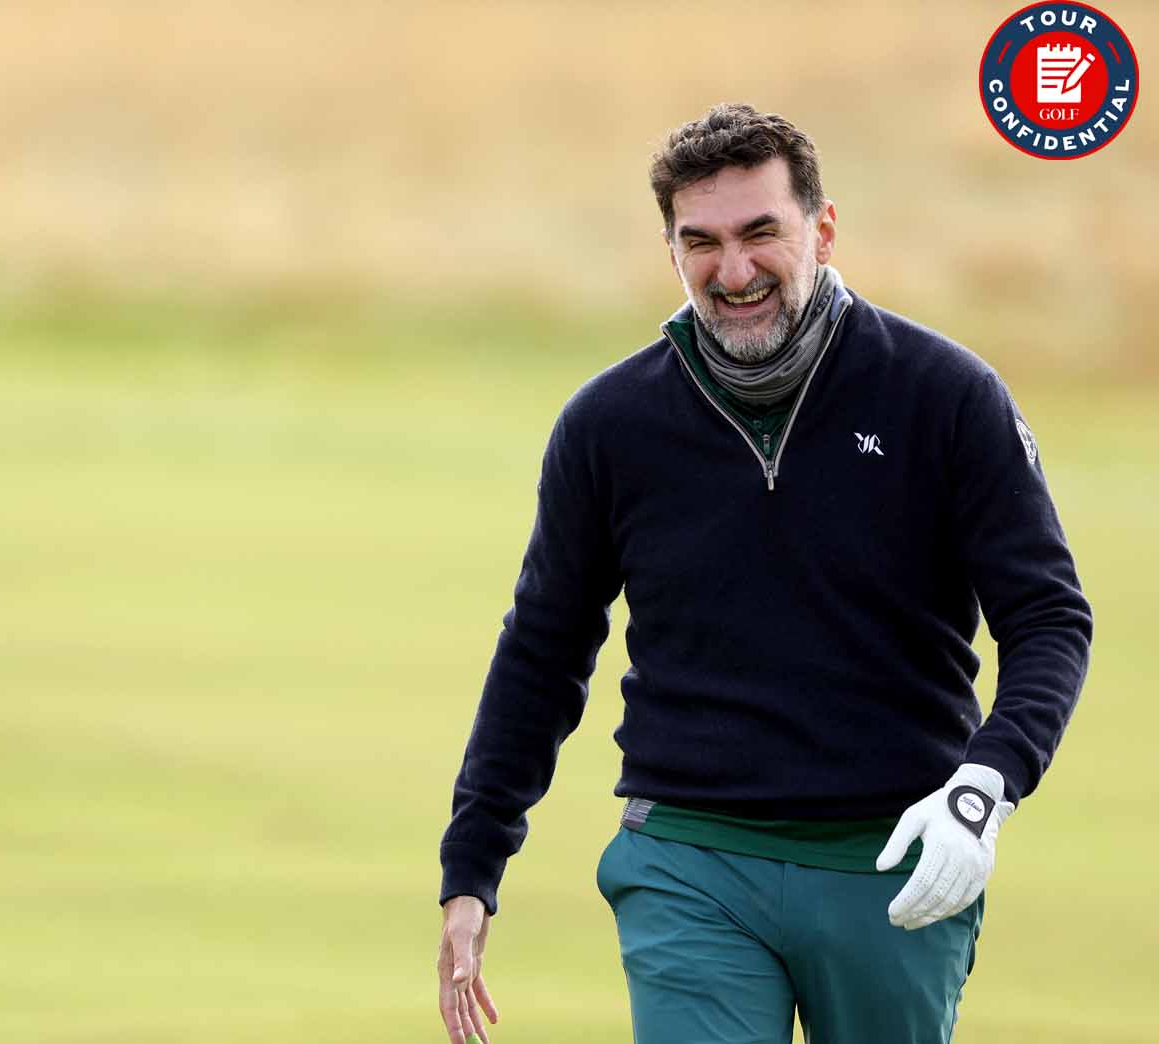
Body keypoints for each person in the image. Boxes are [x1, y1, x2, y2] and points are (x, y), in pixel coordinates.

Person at [434, 103, 1091, 1044]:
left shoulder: (944, 397)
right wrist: (473, 867)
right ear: (670, 250)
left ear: (822, 230)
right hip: (689, 857)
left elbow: (1049, 618)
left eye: (760, 234)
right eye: (700, 242)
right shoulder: (611, 425)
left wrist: (985, 784)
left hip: (896, 857)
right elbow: (542, 649)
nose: (732, 272)